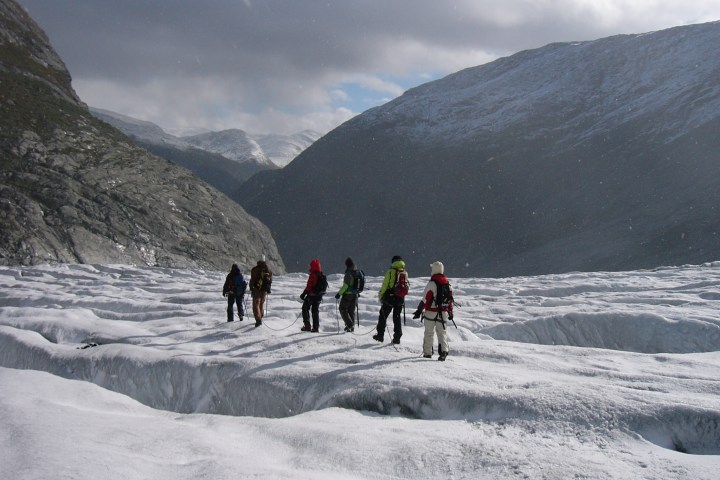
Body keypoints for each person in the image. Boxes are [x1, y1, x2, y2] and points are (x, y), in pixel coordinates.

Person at [413, 261, 453, 361]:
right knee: (442, 333)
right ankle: (443, 352)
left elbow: (425, 298)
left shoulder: (431, 284)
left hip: (430, 312)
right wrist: (450, 312)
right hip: (443, 312)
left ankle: (427, 353)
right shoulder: (448, 284)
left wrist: (419, 311)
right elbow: (450, 300)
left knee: (429, 333)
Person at [373, 255, 408, 344]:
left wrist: (381, 295)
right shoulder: (404, 272)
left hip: (389, 298)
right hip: (400, 298)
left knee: (383, 315)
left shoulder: (390, 271)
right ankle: (397, 337)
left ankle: (380, 335)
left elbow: (385, 285)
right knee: (396, 317)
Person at [300, 258, 325, 332]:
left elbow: (309, 286)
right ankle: (316, 327)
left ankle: (307, 325)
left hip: (312, 296)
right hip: (319, 296)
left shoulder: (313, 275)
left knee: (305, 308)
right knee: (315, 311)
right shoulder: (321, 275)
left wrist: (304, 293)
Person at [335, 257, 359, 332]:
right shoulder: (356, 272)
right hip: (355, 295)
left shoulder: (348, 273)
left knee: (342, 309)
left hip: (348, 295)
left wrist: (339, 293)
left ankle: (349, 325)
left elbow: (346, 286)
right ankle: (351, 327)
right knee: (351, 311)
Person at [249, 257, 272, 327]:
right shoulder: (268, 270)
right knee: (261, 303)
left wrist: (251, 287)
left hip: (256, 289)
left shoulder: (255, 269)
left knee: (256, 304)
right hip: (264, 290)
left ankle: (258, 319)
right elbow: (270, 281)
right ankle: (260, 317)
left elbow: (252, 280)